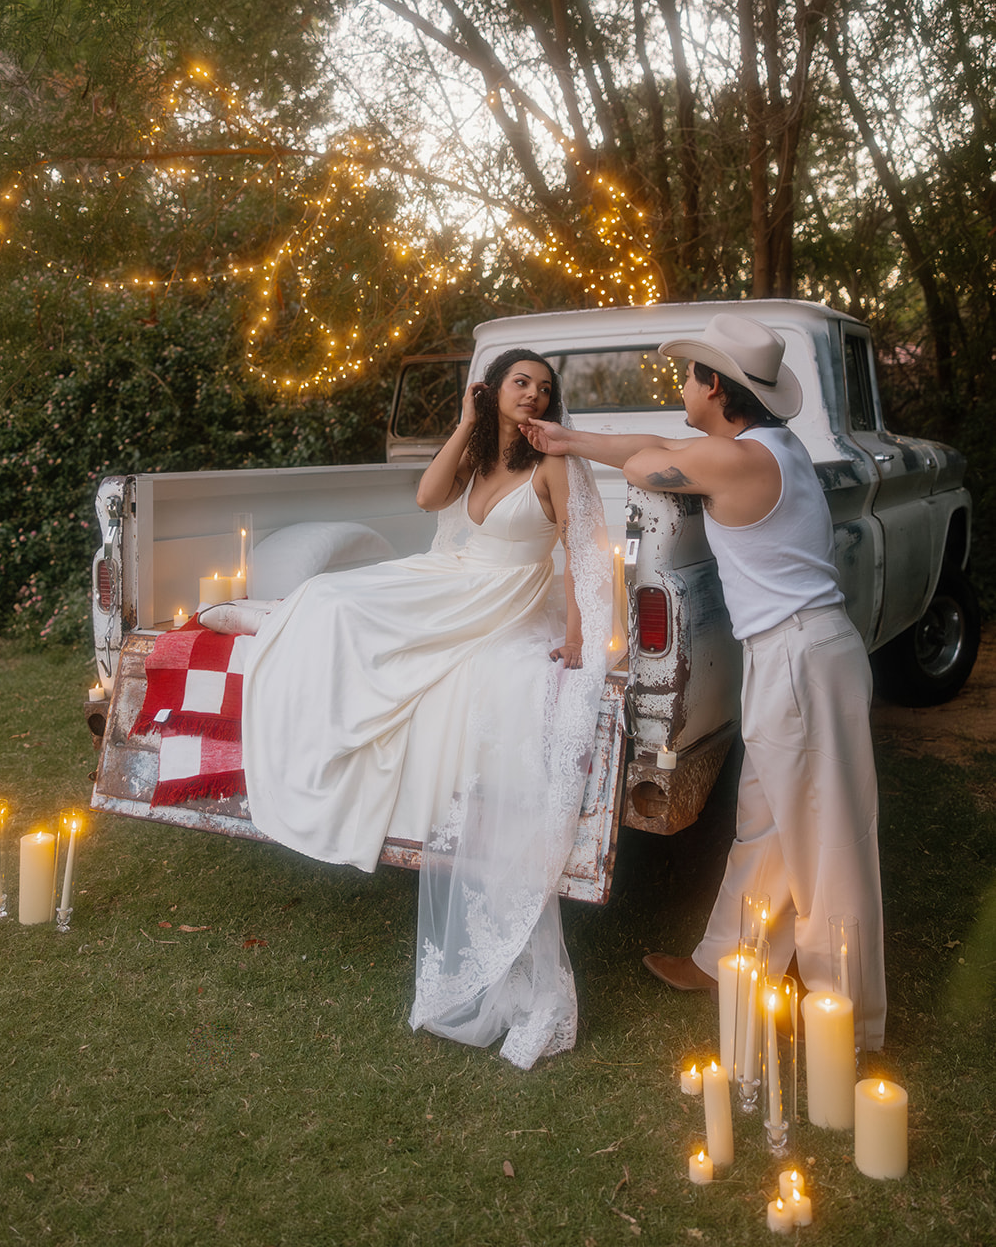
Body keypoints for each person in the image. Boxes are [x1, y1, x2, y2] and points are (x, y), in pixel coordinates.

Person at [521, 310, 886, 1050]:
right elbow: (653, 446)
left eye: (688, 376)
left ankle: (842, 1016)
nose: (681, 386)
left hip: (800, 659)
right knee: (767, 823)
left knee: (826, 839)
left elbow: (645, 463)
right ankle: (728, 960)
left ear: (714, 385)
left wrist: (592, 450)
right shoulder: (764, 443)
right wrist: (567, 440)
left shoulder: (737, 462)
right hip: (796, 654)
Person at [240, 349, 611, 1068]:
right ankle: (325, 734)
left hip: (496, 601)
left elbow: (586, 553)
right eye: (519, 383)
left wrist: (577, 638)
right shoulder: (478, 455)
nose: (533, 395)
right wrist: (466, 421)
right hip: (445, 580)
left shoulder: (555, 464)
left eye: (543, 387)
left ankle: (353, 728)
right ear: (493, 389)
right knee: (321, 599)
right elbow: (426, 499)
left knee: (340, 612)